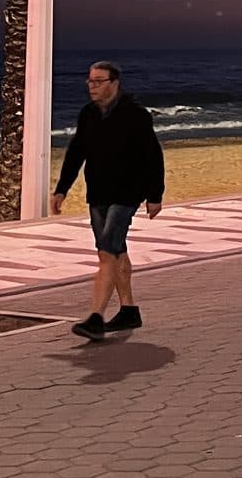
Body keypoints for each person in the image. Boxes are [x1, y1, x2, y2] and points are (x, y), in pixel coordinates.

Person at [52, 61, 165, 341]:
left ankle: (95, 317)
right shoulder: (88, 114)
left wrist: (155, 196)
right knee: (115, 251)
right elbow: (76, 152)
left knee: (108, 252)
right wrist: (62, 189)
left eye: (98, 81)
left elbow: (153, 155)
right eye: (89, 81)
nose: (92, 86)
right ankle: (129, 310)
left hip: (127, 193)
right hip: (98, 192)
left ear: (114, 83)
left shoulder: (135, 116)